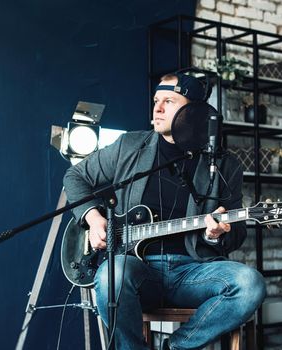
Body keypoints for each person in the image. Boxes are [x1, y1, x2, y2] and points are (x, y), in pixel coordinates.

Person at [63, 72, 266, 350]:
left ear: (192, 110)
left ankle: (175, 348)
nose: (157, 109)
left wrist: (217, 234)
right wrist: (93, 217)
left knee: (249, 283)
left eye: (168, 101)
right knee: (112, 273)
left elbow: (237, 233)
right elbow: (75, 177)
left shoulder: (223, 165)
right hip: (137, 270)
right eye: (156, 100)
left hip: (193, 272)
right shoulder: (130, 146)